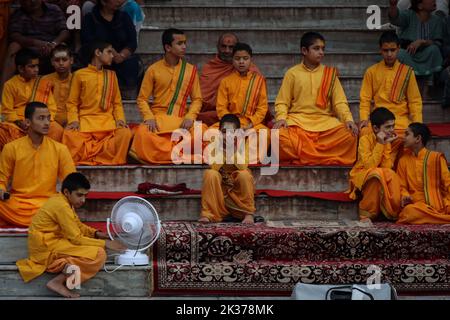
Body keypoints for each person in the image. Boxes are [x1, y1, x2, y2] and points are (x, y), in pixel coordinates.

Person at [16, 172, 126, 298]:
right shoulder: (61, 205)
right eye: (79, 195)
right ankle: (59, 279)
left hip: (55, 242)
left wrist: (96, 233)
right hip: (45, 247)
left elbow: (77, 225)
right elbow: (76, 239)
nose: (83, 200)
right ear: (67, 192)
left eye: (85, 196)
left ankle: (62, 273)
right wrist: (105, 243)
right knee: (99, 253)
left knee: (97, 252)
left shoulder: (64, 202)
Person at [272, 32, 358, 165]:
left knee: (350, 135)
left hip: (325, 123)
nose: (321, 52)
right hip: (298, 122)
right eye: (316, 48)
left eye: (323, 49)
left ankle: (305, 156)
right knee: (279, 137)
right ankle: (322, 156)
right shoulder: (292, 73)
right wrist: (281, 118)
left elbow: (339, 102)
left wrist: (348, 119)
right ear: (304, 51)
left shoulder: (329, 74)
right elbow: (282, 101)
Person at [129, 28, 206, 164]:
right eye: (180, 43)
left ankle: (162, 154)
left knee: (203, 132)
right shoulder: (153, 69)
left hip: (181, 120)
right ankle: (177, 155)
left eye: (185, 43)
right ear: (168, 47)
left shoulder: (190, 70)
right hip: (158, 120)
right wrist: (149, 118)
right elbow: (142, 99)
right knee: (142, 132)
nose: (184, 47)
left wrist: (190, 117)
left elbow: (197, 99)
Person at [0, 102, 75, 227]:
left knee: (62, 207)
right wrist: (1, 189)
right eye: (41, 118)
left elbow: (71, 180)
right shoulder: (11, 148)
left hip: (47, 203)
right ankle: (43, 222)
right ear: (28, 122)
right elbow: (1, 179)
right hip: (17, 204)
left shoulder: (60, 149)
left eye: (48, 118)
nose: (47, 123)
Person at [62, 41, 132, 165]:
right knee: (69, 134)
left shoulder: (111, 75)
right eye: (109, 52)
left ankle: (102, 158)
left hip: (108, 125)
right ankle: (98, 156)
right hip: (86, 123)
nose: (112, 55)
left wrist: (120, 119)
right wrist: (74, 121)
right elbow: (72, 103)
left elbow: (117, 103)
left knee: (125, 133)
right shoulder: (79, 75)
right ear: (98, 53)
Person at [359, 30, 422, 163]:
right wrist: (364, 118)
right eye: (385, 50)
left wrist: (417, 124)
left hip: (400, 120)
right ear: (380, 50)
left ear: (398, 49)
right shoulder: (371, 71)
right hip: (379, 120)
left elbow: (415, 101)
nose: (389, 54)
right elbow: (365, 99)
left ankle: (402, 169)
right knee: (365, 132)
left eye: (392, 50)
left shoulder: (407, 72)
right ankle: (370, 165)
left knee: (410, 136)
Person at [213, 42, 269, 159]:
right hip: (230, 123)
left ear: (251, 60)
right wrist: (232, 126)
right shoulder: (226, 81)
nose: (241, 62)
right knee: (210, 133)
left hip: (250, 124)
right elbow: (221, 108)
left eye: (245, 58)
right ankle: (224, 159)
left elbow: (262, 108)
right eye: (237, 59)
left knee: (264, 134)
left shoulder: (259, 81)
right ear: (232, 60)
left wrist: (250, 124)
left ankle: (244, 159)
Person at [0, 48, 64, 151]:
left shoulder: (43, 83)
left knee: (57, 129)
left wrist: (44, 120)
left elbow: (51, 107)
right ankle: (20, 158)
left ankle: (46, 156)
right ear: (21, 68)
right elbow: (6, 110)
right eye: (32, 66)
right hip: (19, 123)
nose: (36, 69)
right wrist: (20, 122)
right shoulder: (10, 85)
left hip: (41, 118)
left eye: (37, 66)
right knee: (6, 132)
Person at [199, 114, 256, 224]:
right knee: (210, 174)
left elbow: (243, 166)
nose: (227, 136)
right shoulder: (214, 142)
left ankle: (248, 213)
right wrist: (222, 148)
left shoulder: (244, 143)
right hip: (221, 186)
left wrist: (232, 150)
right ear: (219, 132)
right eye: (224, 132)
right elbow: (214, 166)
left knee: (244, 174)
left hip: (237, 186)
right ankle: (208, 213)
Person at [1, 0, 70, 88]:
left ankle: (67, 89)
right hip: (29, 49)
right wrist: (36, 43)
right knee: (13, 47)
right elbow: (15, 35)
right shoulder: (18, 14)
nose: (33, 1)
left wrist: (54, 44)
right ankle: (3, 92)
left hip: (52, 47)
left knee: (63, 47)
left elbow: (65, 31)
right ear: (21, 2)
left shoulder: (54, 9)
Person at [348, 107, 402, 221]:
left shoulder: (386, 141)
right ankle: (366, 214)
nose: (392, 130)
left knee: (391, 174)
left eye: (393, 126)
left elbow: (387, 166)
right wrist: (380, 144)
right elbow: (369, 166)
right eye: (388, 127)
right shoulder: (364, 140)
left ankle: (391, 209)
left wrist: (385, 144)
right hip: (361, 174)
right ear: (376, 128)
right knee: (375, 174)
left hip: (378, 173)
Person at [198, 33, 261, 126]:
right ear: (218, 47)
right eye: (223, 46)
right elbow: (203, 100)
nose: (227, 51)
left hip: (245, 116)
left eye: (231, 47)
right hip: (216, 114)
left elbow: (258, 101)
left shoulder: (251, 70)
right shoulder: (209, 68)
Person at [80, 0, 139, 95]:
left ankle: (126, 92)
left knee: (132, 63)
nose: (119, 1)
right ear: (103, 2)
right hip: (99, 57)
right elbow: (87, 41)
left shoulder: (124, 17)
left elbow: (132, 42)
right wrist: (109, 52)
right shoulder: (90, 18)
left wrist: (122, 55)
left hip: (120, 58)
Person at [396, 122, 450, 224]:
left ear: (418, 138)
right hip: (418, 205)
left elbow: (448, 182)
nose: (403, 137)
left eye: (407, 134)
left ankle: (434, 218)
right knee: (409, 212)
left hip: (439, 202)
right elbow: (401, 186)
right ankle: (443, 219)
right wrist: (405, 195)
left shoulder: (436, 158)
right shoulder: (403, 161)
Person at [388, 0, 444, 90]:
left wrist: (422, 42)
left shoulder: (436, 20)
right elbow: (395, 19)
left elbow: (438, 42)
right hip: (409, 53)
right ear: (420, 6)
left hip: (426, 54)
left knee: (434, 49)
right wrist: (393, 5)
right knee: (400, 53)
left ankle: (428, 86)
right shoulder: (409, 15)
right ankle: (406, 84)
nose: (434, 0)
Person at [43, 44, 74, 127]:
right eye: (57, 60)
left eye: (64, 60)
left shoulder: (77, 80)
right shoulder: (44, 80)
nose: (61, 63)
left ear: (71, 60)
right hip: (50, 121)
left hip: (72, 121)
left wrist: (73, 121)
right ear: (52, 62)